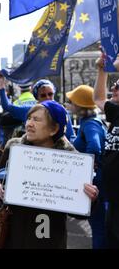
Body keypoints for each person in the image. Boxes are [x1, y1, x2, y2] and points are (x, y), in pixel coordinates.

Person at [0, 101, 99, 248]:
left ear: (54, 129)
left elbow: (80, 212)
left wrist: (90, 198)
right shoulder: (14, 148)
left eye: (36, 120)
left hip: (49, 240)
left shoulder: (71, 160)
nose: (29, 123)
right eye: (29, 118)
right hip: (13, 237)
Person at [66, 85, 107, 249]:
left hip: (95, 181)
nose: (68, 104)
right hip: (99, 179)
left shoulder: (90, 124)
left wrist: (85, 169)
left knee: (98, 226)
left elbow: (94, 147)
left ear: (79, 106)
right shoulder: (89, 122)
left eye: (71, 101)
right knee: (99, 225)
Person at [0, 75, 76, 142]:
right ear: (37, 98)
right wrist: (1, 85)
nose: (48, 97)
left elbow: (70, 136)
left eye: (50, 94)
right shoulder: (30, 110)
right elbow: (7, 107)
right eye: (43, 95)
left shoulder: (62, 111)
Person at [93, 50, 119, 249]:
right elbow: (100, 98)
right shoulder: (116, 112)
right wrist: (102, 69)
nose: (115, 88)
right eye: (114, 87)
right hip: (113, 198)